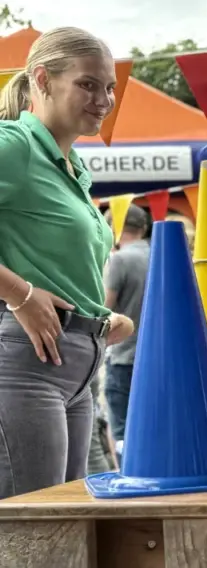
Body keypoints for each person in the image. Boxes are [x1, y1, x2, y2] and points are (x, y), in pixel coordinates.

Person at [0, 27, 134, 499]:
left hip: (77, 368)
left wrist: (99, 315)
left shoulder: (73, 167)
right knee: (31, 533)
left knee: (64, 531)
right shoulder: (14, 145)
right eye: (88, 84)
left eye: (110, 87)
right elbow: (30, 285)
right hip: (24, 363)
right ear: (42, 79)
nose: (104, 99)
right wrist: (22, 295)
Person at [103, 204, 151, 463]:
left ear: (113, 229)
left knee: (123, 434)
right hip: (160, 359)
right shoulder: (161, 254)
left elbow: (103, 309)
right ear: (143, 228)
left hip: (124, 357)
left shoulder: (119, 260)